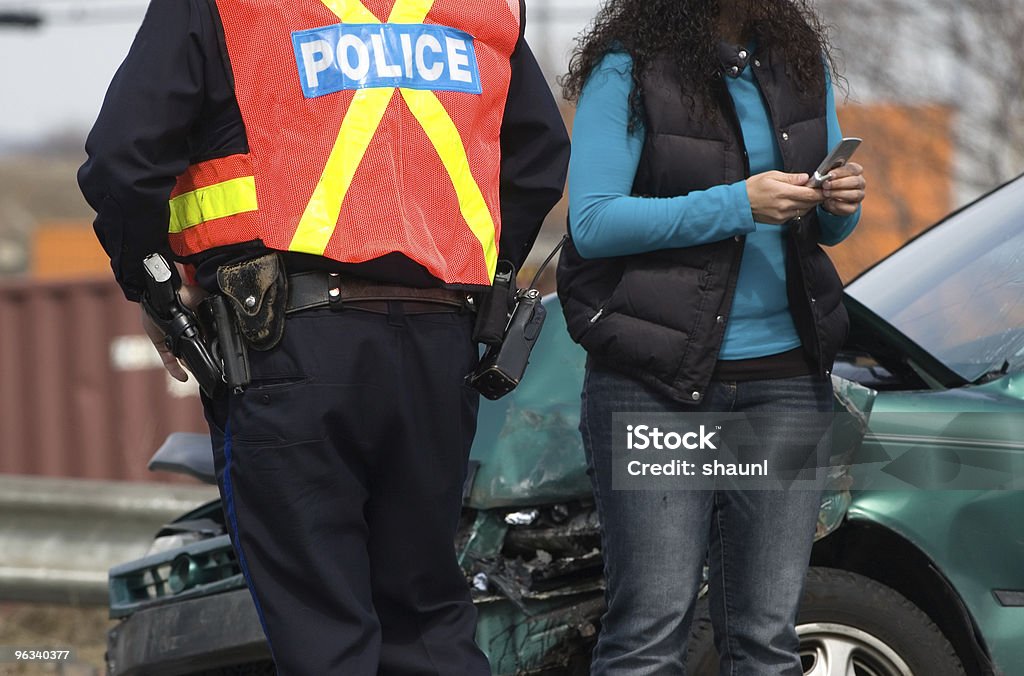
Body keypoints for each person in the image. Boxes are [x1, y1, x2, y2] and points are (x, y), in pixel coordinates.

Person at [79, 0, 569, 673]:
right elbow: (539, 151)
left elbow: (122, 158)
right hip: (438, 346)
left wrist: (156, 286)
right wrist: (490, 271)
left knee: (323, 633)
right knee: (426, 623)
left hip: (287, 346)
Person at [556, 0, 865, 673]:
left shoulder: (796, 61)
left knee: (767, 640)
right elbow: (595, 223)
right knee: (649, 635)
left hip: (785, 384)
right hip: (657, 388)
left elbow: (825, 230)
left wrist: (841, 203)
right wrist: (738, 204)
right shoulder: (628, 68)